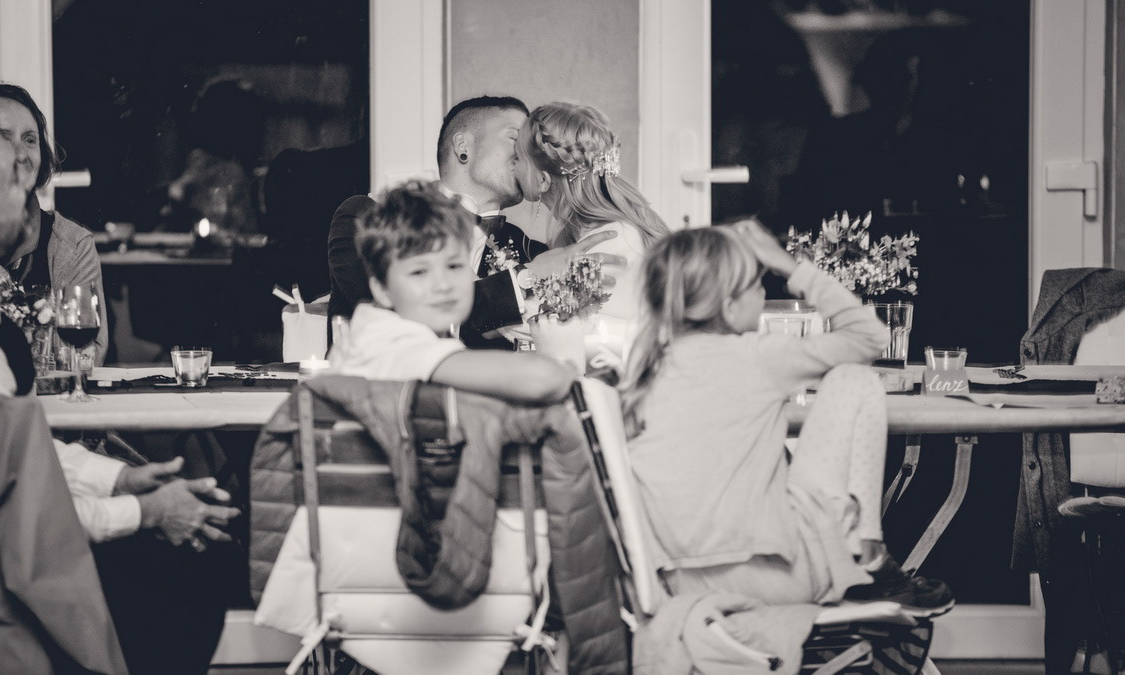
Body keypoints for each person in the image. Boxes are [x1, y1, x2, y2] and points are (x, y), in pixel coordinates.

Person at [0, 111, 241, 674]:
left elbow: (15, 453)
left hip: (1, 556)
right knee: (188, 577)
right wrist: (146, 511)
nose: (27, 180)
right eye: (8, 178)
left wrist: (119, 478)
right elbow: (27, 518)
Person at [621, 221, 955, 615]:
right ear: (728, 307)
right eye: (756, 285)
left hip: (681, 586)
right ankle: (870, 558)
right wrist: (790, 266)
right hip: (779, 580)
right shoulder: (757, 355)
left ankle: (867, 560)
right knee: (854, 378)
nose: (764, 293)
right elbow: (871, 336)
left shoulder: (642, 371)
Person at [328, 95, 625, 350]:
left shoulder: (531, 251)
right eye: (516, 139)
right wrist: (526, 277)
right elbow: (402, 316)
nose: (528, 154)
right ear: (463, 147)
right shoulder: (368, 217)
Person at [328, 179, 575, 403]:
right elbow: (542, 378)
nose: (443, 284)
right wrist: (568, 369)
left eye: (454, 266)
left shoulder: (389, 330)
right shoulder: (389, 341)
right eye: (419, 272)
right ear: (382, 290)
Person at [0, 82, 110, 364]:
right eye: (3, 137)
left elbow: (88, 355)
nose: (21, 153)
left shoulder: (71, 245)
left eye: (30, 139)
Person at [513, 101, 669, 333]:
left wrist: (518, 279)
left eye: (517, 157)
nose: (512, 165)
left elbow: (546, 326)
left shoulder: (614, 240)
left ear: (543, 180)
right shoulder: (589, 233)